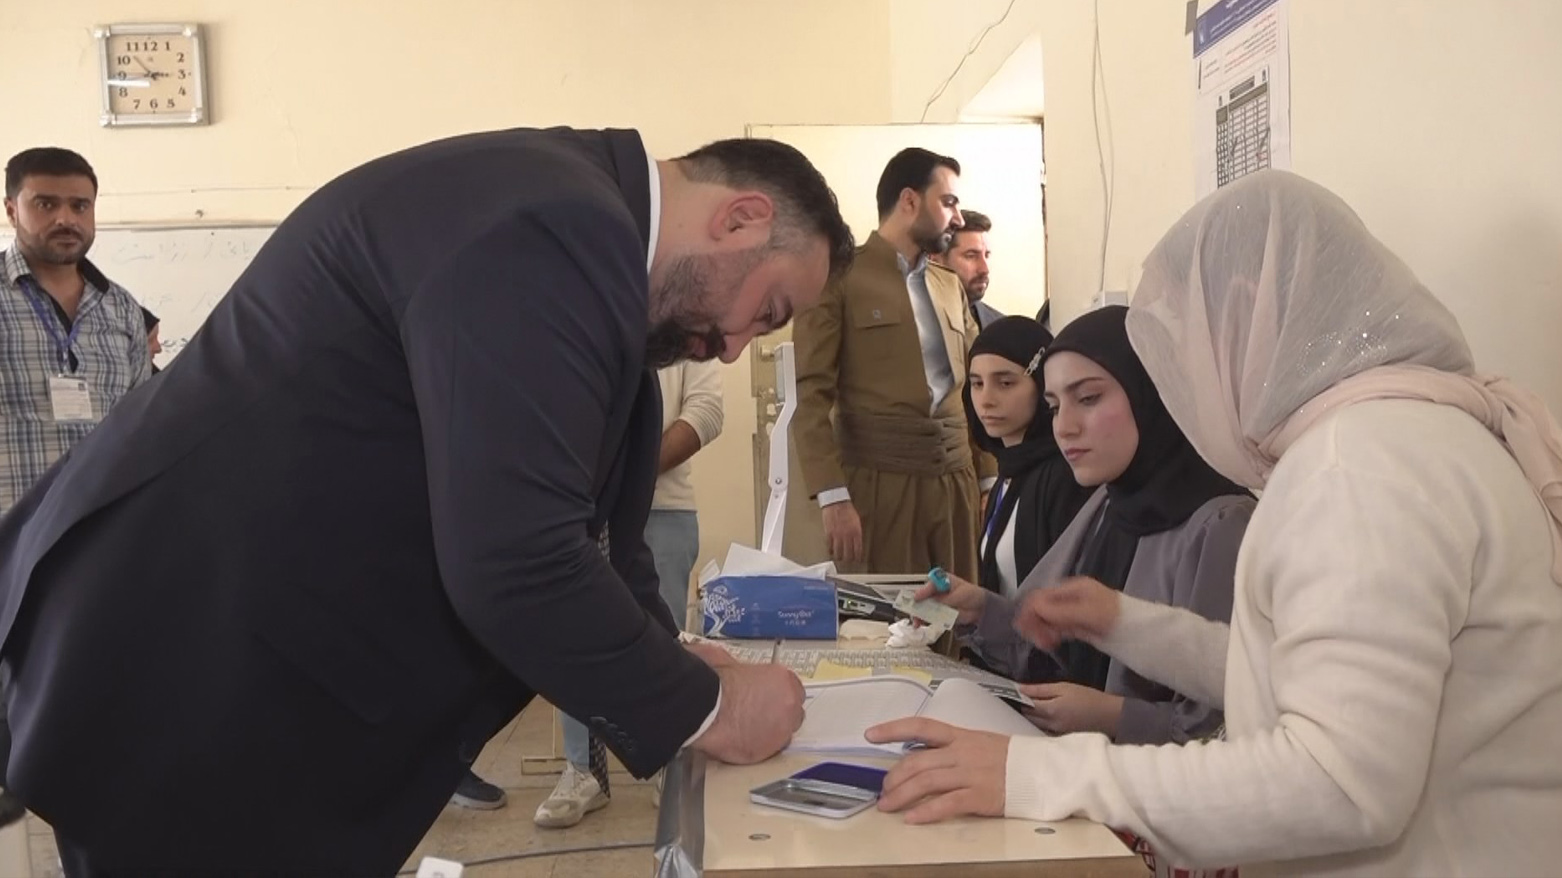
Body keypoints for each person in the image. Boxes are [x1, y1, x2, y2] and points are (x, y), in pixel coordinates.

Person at [0, 128, 853, 875]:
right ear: (739, 218)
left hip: (247, 670)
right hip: (194, 675)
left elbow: (596, 524)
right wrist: (708, 709)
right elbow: (515, 556)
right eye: (763, 311)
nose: (735, 350)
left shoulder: (577, 225)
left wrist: (672, 658)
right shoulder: (553, 223)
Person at [866, 170, 1562, 877]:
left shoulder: (1357, 468)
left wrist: (1043, 775)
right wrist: (1129, 625)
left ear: (1246, 313)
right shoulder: (1401, 435)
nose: (1180, 383)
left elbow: (1338, 782)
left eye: (1180, 350)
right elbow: (1294, 674)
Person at [930, 305, 1250, 743]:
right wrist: (981, 610)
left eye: (1088, 398)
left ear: (1152, 391)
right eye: (1055, 406)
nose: (1064, 426)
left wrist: (1113, 716)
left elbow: (1232, 719)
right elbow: (1058, 652)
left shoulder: (1221, 523)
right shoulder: (1107, 501)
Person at [0, 146, 152, 829]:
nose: (66, 218)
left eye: (79, 205)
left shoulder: (121, 310)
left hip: (93, 527)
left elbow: (141, 420)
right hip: (8, 520)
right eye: (46, 203)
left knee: (83, 657)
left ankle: (76, 776)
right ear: (11, 210)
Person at [537, 358, 723, 829]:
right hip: (580, 508)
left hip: (665, 508)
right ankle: (584, 770)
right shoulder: (581, 304)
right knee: (576, 641)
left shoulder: (684, 314)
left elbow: (706, 412)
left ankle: (669, 765)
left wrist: (629, 474)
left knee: (663, 643)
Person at [793, 148, 994, 579]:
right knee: (889, 625)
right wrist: (833, 497)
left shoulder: (949, 288)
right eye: (948, 202)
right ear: (909, 201)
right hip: (881, 487)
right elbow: (809, 397)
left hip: (956, 482)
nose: (957, 218)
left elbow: (977, 389)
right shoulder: (839, 279)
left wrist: (988, 478)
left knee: (957, 621)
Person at [961, 316, 1091, 599]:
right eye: (976, 384)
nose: (986, 400)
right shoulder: (1009, 472)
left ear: (1043, 384)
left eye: (1005, 383)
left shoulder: (1065, 476)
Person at [932, 209, 1002, 330]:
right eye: (971, 256)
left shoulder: (1001, 328)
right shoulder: (917, 322)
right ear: (936, 259)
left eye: (987, 255)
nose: (984, 269)